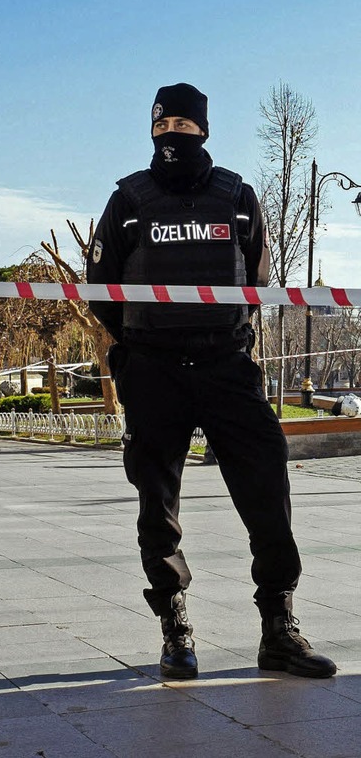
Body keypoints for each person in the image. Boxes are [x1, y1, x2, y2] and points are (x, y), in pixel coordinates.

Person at [87, 83, 336, 680]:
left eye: (185, 124)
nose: (174, 133)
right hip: (154, 367)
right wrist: (144, 342)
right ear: (150, 129)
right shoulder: (127, 201)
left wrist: (217, 331)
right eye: (163, 123)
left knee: (267, 488)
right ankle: (175, 630)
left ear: (204, 129)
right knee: (158, 503)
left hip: (226, 364)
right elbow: (103, 291)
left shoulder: (239, 198)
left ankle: (279, 628)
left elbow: (255, 283)